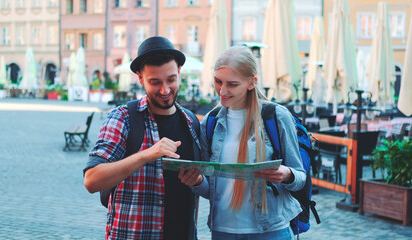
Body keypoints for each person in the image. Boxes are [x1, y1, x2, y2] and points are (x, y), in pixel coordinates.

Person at [178, 46, 306, 240]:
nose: (222, 90)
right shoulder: (211, 122)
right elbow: (210, 188)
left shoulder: (276, 116)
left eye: (232, 84)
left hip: (270, 231)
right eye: (218, 81)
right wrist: (196, 182)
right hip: (223, 230)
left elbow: (300, 178)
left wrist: (286, 174)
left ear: (252, 83)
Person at [84, 36, 201, 240]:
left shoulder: (190, 121)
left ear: (179, 72)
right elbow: (92, 180)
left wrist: (198, 180)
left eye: (171, 80)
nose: (165, 90)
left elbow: (197, 190)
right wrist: (146, 155)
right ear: (140, 78)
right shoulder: (123, 118)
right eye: (155, 82)